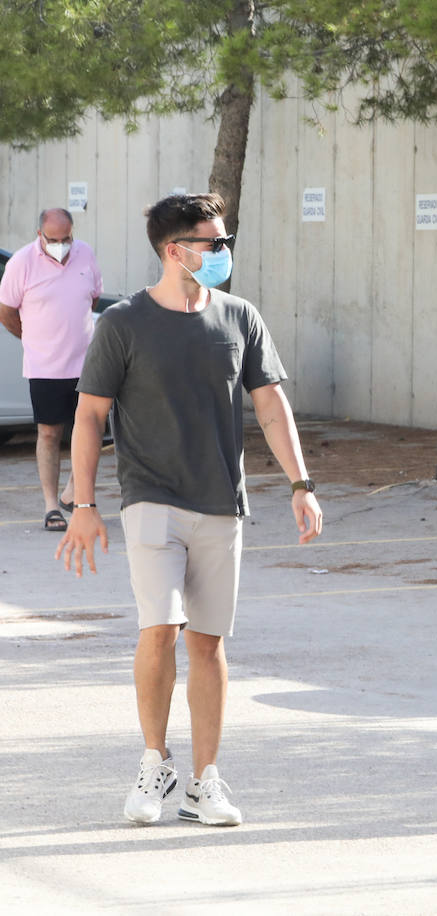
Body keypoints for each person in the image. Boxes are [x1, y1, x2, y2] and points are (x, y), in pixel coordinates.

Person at [55, 193, 323, 827]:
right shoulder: (123, 323)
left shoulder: (240, 317)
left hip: (221, 504)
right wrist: (84, 504)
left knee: (208, 641)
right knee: (160, 628)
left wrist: (301, 483)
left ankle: (205, 782)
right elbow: (90, 415)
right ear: (175, 250)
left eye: (224, 241)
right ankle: (155, 764)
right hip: (151, 500)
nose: (223, 253)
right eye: (213, 243)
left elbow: (270, 406)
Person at [0, 208, 103, 532]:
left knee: (90, 429)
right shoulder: (21, 263)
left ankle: (74, 493)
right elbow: (6, 311)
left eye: (66, 238)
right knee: (48, 432)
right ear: (39, 235)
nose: (61, 245)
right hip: (45, 366)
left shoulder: (85, 254)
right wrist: (31, 337)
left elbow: (94, 299)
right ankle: (50, 506)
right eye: (54, 240)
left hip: (85, 363)